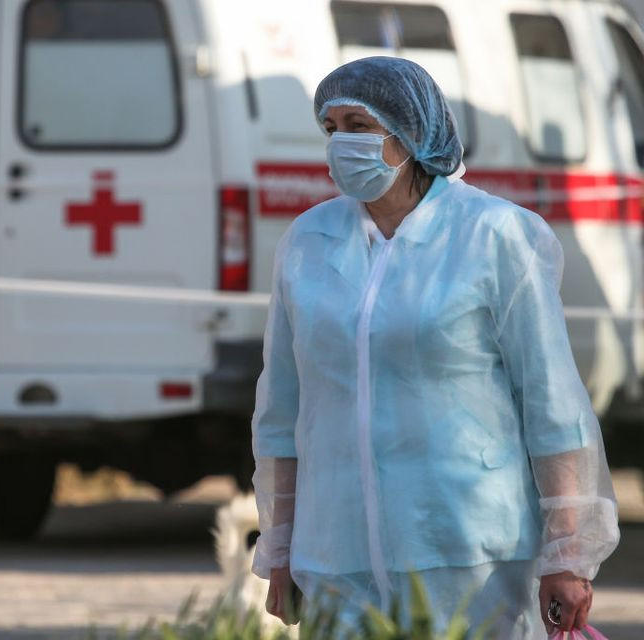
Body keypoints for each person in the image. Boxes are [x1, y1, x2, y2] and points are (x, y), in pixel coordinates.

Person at [250, 56, 621, 639]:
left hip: (468, 553)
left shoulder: (494, 234)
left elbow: (552, 406)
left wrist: (568, 553)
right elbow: (281, 411)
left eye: (359, 125)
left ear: (411, 132)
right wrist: (280, 546)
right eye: (331, 128)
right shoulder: (308, 243)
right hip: (335, 555)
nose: (342, 142)